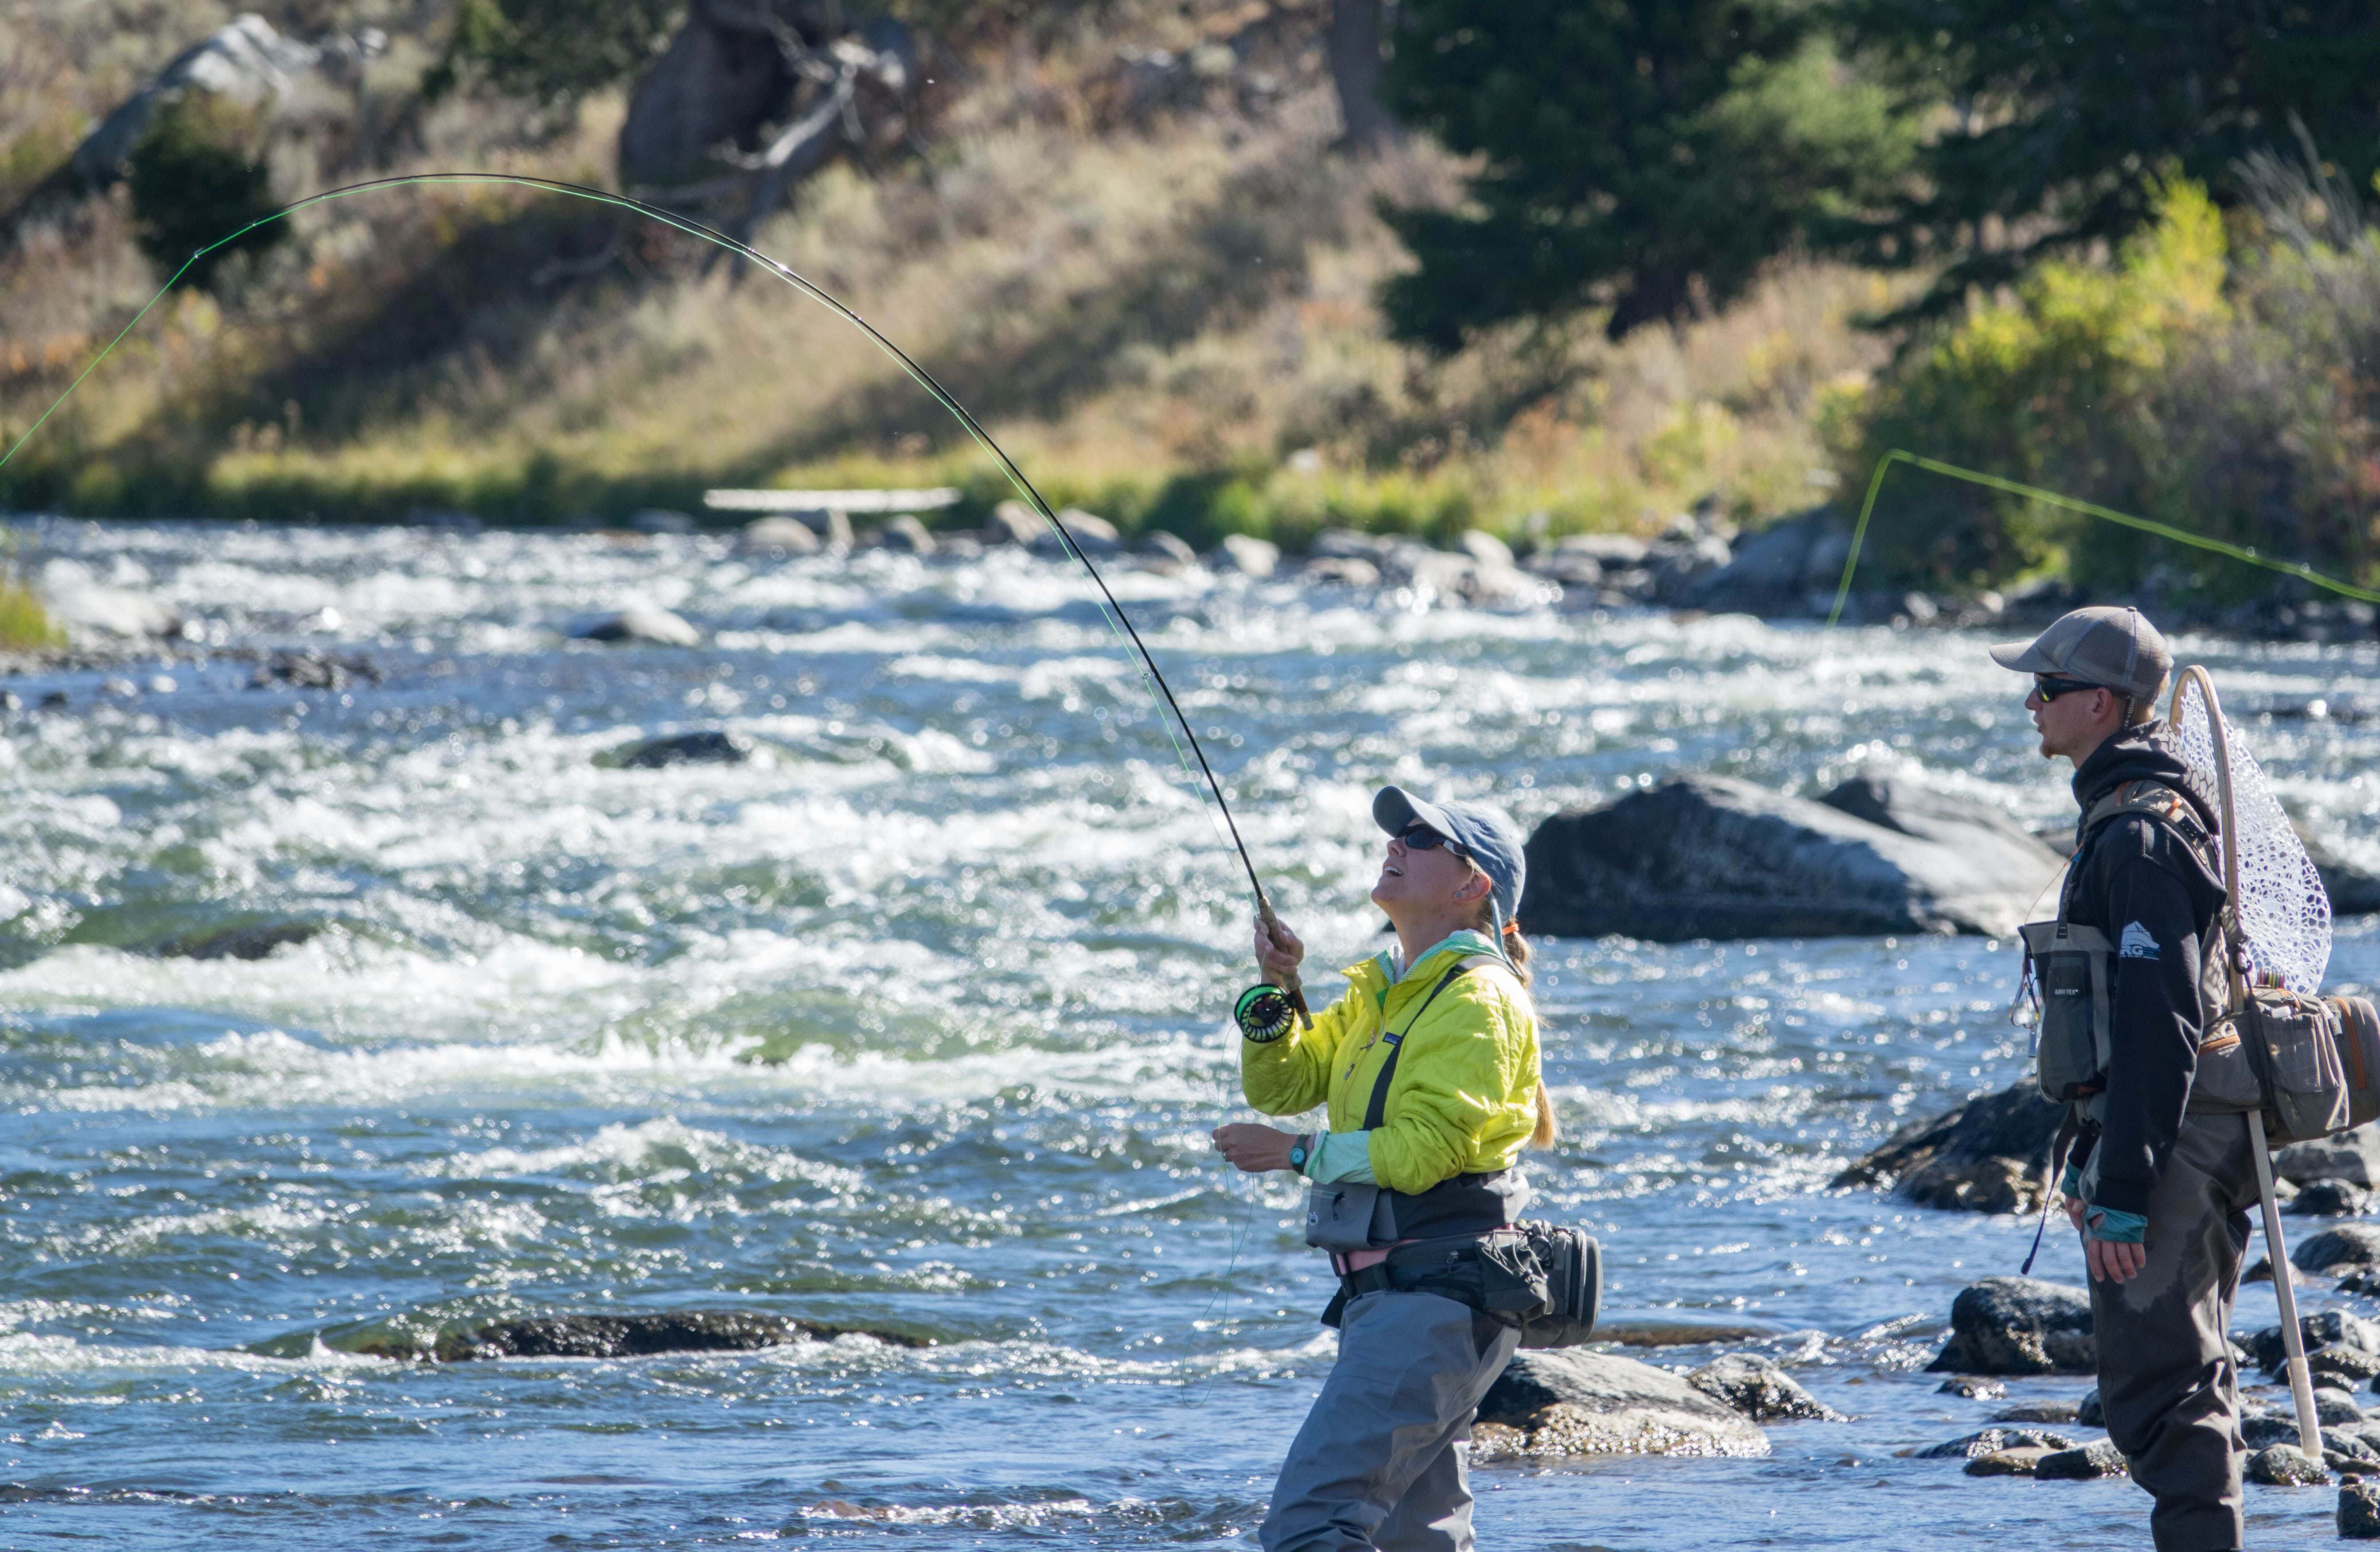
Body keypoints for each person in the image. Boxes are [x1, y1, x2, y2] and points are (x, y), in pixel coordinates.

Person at [1211, 785, 1553, 1552]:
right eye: (1399, 833)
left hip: (1431, 1302)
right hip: (1406, 1301)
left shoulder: (1479, 999)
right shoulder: (1387, 987)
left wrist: (1297, 1154)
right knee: (1419, 1541)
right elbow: (1286, 1083)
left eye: (1422, 837)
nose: (1396, 842)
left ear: (1473, 887)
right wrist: (1279, 986)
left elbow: (1423, 1151)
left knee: (1310, 1523)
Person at [1994, 606, 2254, 1552]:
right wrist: (2092, 1160)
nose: (2032, 703)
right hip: (2165, 1130)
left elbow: (2162, 1024)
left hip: (2173, 1142)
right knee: (2181, 1377)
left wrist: (2124, 1194)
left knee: (2162, 1386)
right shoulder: (2126, 814)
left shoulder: (2141, 838)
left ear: (2099, 704)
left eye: (2048, 690)